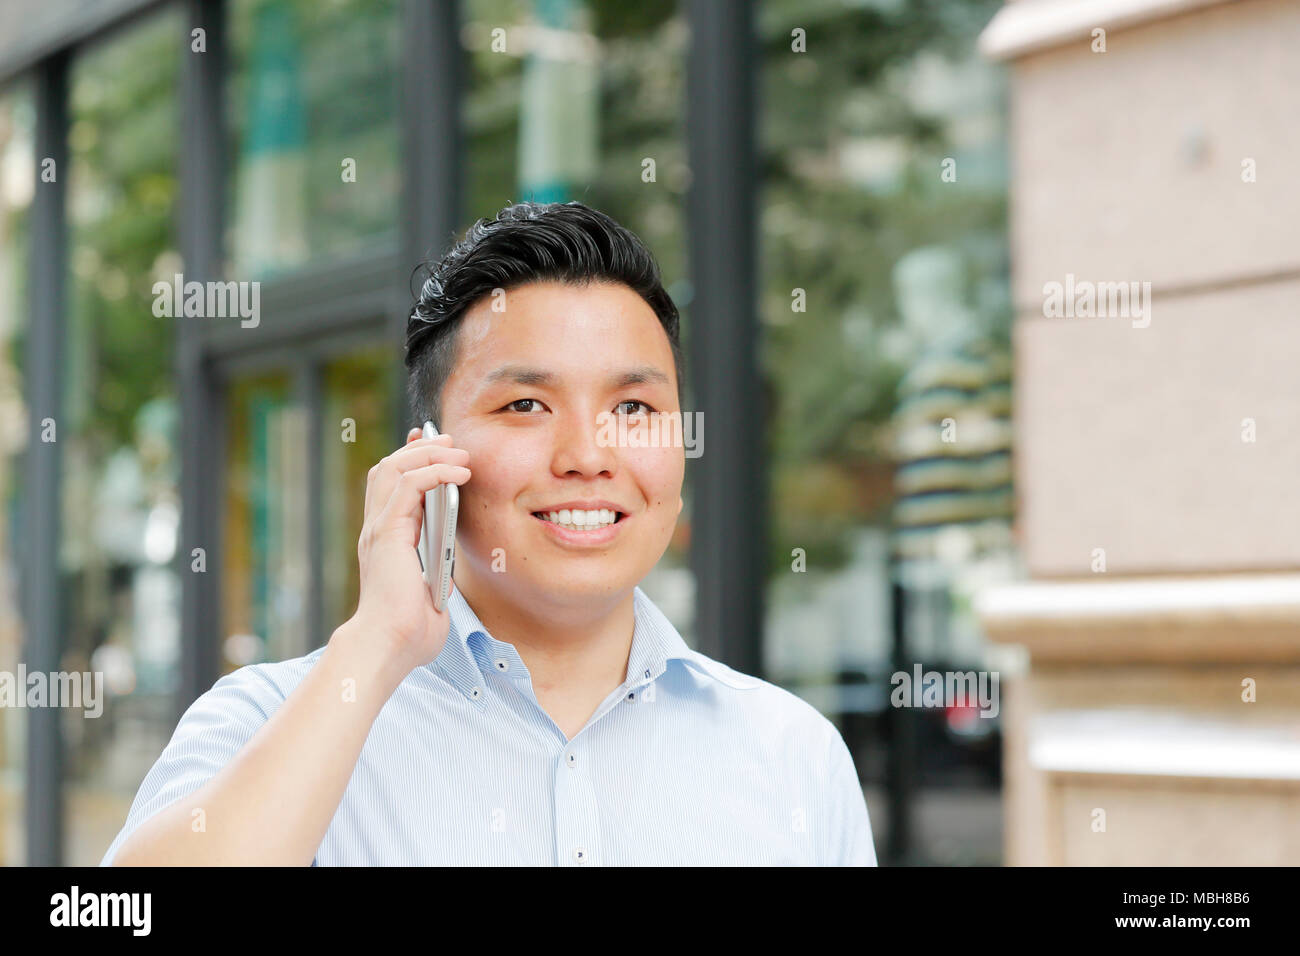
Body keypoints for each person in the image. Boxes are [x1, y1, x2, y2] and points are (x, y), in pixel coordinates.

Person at [101, 200, 877, 866]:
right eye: (525, 407)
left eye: (634, 410)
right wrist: (376, 645)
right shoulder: (270, 720)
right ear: (429, 457)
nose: (586, 457)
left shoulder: (792, 755)